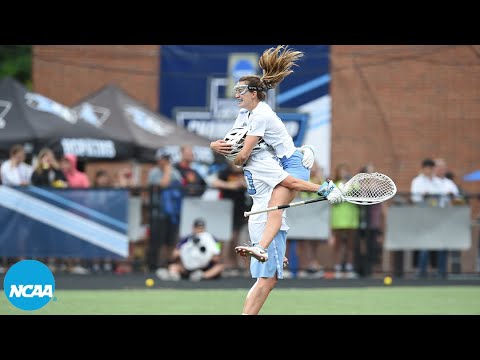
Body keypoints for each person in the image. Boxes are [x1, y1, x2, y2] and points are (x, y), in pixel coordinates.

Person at [210, 45, 341, 264]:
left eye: (240, 91)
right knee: (272, 208)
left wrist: (324, 190)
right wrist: (216, 145)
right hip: (284, 160)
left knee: (274, 207)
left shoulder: (260, 115)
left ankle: (261, 248)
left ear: (253, 93)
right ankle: (276, 252)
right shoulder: (246, 112)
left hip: (292, 165)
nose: (236, 95)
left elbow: (242, 157)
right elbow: (231, 139)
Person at [216, 127, 343, 314]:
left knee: (267, 279)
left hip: (265, 218)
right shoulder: (260, 163)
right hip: (267, 220)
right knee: (266, 280)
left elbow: (281, 152)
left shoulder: (260, 157)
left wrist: (302, 150)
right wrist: (324, 188)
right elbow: (292, 182)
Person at [155, 218, 224, 282]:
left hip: (204, 267)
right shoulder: (186, 239)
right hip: (188, 267)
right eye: (197, 228)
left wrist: (209, 256)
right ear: (193, 228)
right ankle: (173, 275)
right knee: (173, 267)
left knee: (219, 267)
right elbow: (175, 252)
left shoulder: (213, 239)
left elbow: (218, 250)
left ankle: (202, 275)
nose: (199, 230)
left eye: (201, 228)